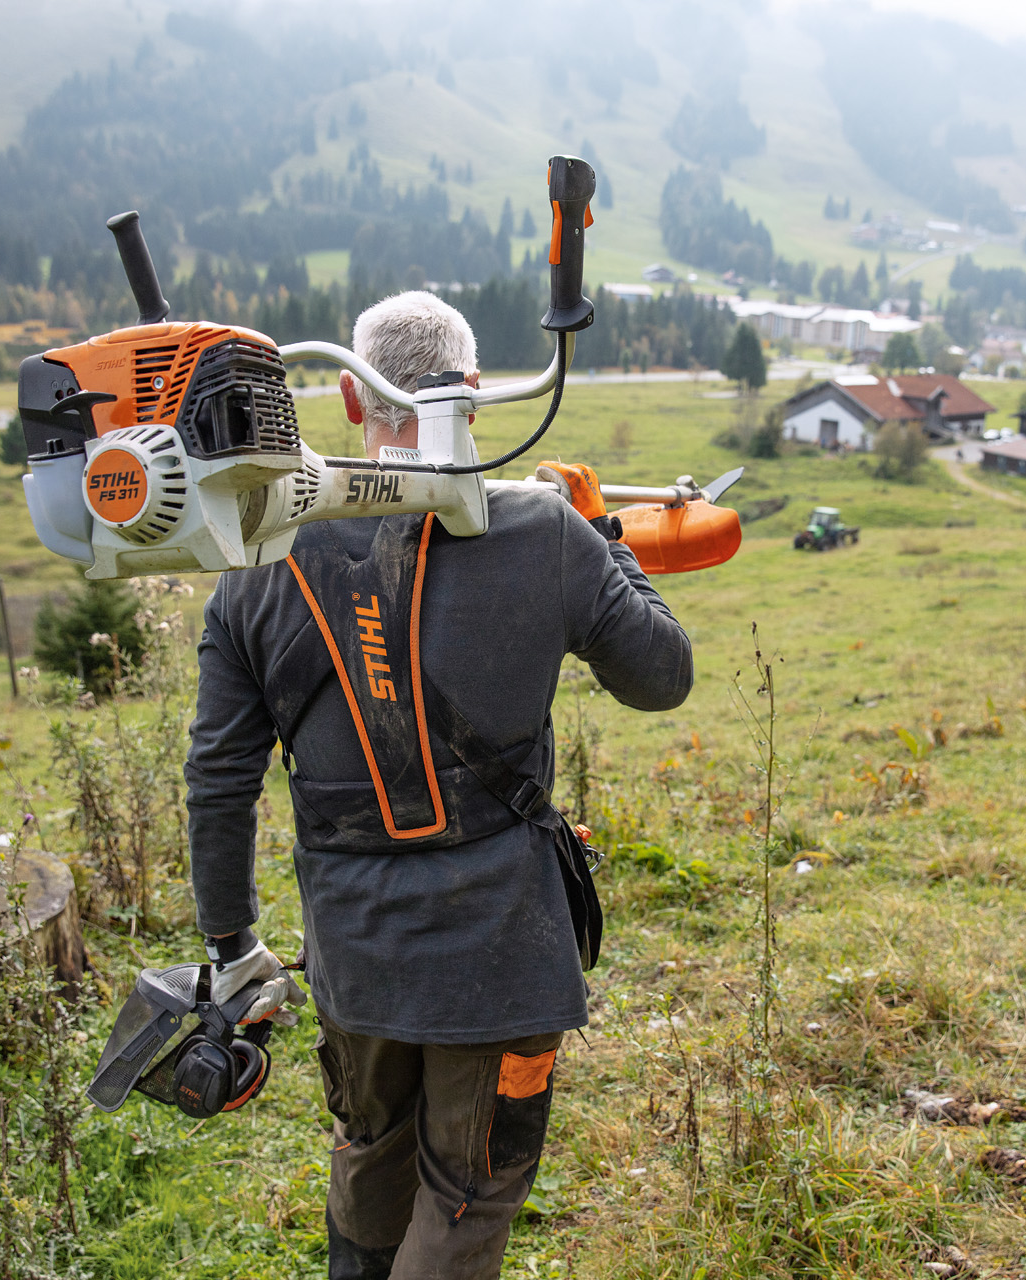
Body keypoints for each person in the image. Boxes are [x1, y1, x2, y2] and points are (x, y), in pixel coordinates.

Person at [183, 290, 694, 1279]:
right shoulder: (546, 530)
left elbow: (217, 777)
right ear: (473, 393)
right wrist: (608, 537)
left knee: (370, 1150)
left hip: (355, 950)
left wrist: (232, 945)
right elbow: (660, 674)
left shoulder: (256, 563)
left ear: (346, 396)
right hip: (502, 953)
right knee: (466, 1190)